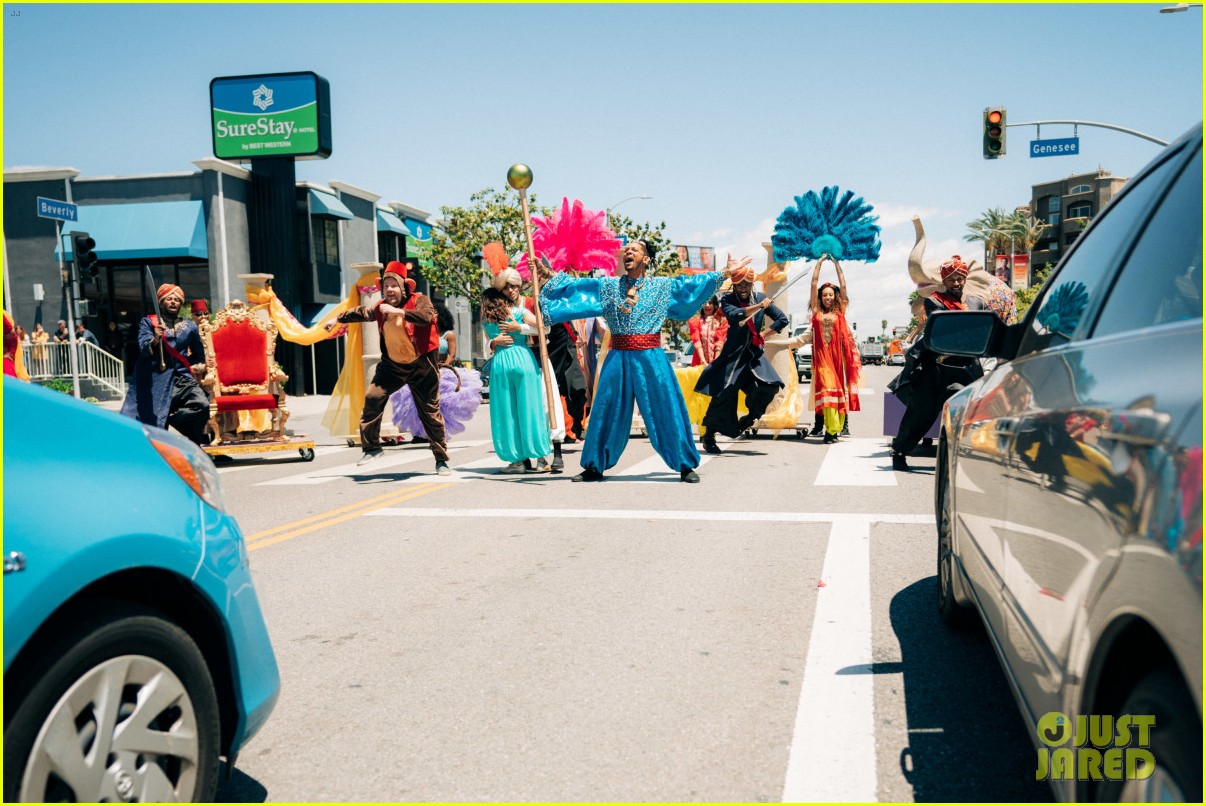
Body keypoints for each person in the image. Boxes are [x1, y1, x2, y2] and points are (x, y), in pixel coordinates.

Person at [539, 239, 741, 483]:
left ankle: (685, 465)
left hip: (651, 356)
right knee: (605, 409)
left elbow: (689, 286)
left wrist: (724, 273)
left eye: (635, 250)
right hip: (619, 356)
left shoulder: (661, 287)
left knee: (666, 408)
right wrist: (548, 274)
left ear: (646, 259)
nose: (628, 253)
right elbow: (578, 288)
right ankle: (594, 466)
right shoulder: (608, 287)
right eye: (627, 250)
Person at [334, 260, 451, 475]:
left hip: (422, 365)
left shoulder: (419, 300)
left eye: (393, 285)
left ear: (403, 287)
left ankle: (441, 459)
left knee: (430, 413)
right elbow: (362, 312)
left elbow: (426, 317)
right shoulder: (380, 308)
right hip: (393, 367)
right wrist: (338, 319)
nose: (389, 290)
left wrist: (399, 313)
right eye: (386, 286)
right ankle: (372, 448)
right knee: (372, 398)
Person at [888, 255, 986, 471]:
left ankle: (961, 456)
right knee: (920, 413)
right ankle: (900, 451)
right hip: (937, 368)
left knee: (968, 412)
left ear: (965, 279)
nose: (957, 283)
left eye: (960, 278)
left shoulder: (977, 302)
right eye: (952, 279)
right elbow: (944, 328)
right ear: (945, 282)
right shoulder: (934, 301)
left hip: (966, 369)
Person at [695, 266, 789, 454]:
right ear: (734, 286)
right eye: (739, 284)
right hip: (733, 357)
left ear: (752, 284)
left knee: (770, 386)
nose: (744, 287)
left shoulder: (762, 298)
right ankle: (709, 435)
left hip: (754, 356)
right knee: (723, 395)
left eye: (747, 284)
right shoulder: (728, 299)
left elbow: (782, 319)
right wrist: (757, 307)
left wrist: (764, 333)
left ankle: (751, 417)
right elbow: (734, 314)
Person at [119, 284, 210, 445]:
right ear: (161, 303)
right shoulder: (149, 322)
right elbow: (143, 346)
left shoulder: (190, 326)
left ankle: (182, 428)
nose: (173, 302)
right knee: (154, 421)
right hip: (155, 379)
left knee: (202, 404)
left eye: (177, 300)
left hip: (181, 379)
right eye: (169, 299)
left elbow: (198, 354)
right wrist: (155, 339)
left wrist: (191, 366)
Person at [482, 273, 553, 473]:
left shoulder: (493, 315)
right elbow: (544, 328)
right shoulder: (516, 312)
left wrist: (517, 328)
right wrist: (496, 341)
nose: (511, 290)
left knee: (509, 411)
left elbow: (544, 329)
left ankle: (524, 460)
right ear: (500, 291)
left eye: (514, 286)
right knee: (523, 409)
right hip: (518, 360)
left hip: (504, 362)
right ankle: (531, 459)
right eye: (507, 287)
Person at [390, 302, 483, 444]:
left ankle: (437, 432)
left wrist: (443, 367)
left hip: (442, 370)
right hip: (423, 369)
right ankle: (420, 433)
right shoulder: (424, 331)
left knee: (440, 404)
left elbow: (451, 354)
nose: (432, 315)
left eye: (434, 313)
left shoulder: (448, 334)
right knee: (415, 401)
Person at [807, 259, 861, 444]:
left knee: (836, 392)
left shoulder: (841, 311)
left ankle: (835, 430)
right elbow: (814, 284)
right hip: (822, 359)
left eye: (831, 295)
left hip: (837, 358)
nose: (828, 298)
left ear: (835, 296)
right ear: (820, 298)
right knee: (828, 390)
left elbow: (844, 285)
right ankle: (830, 431)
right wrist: (820, 263)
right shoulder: (816, 311)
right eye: (824, 295)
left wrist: (837, 264)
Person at [687, 296, 728, 366]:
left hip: (718, 360)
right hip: (699, 361)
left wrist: (716, 361)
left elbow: (720, 341)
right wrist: (703, 362)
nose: (707, 305)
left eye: (710, 303)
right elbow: (697, 342)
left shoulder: (722, 321)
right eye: (705, 303)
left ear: (714, 305)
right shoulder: (696, 321)